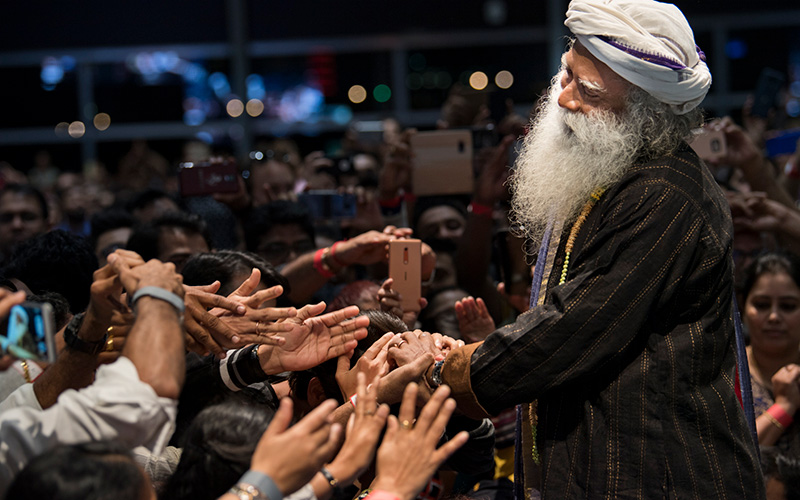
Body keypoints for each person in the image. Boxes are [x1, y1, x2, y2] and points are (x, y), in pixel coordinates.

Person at [389, 0, 764, 498]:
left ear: (645, 113)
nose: (563, 99)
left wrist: (445, 370)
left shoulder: (664, 192)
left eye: (586, 90)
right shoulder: (615, 174)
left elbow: (573, 327)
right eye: (566, 74)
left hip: (661, 476)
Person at [743, 252, 800, 494]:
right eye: (762, 305)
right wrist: (784, 407)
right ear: (743, 308)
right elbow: (730, 463)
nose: (774, 316)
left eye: (788, 306)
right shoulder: (724, 372)